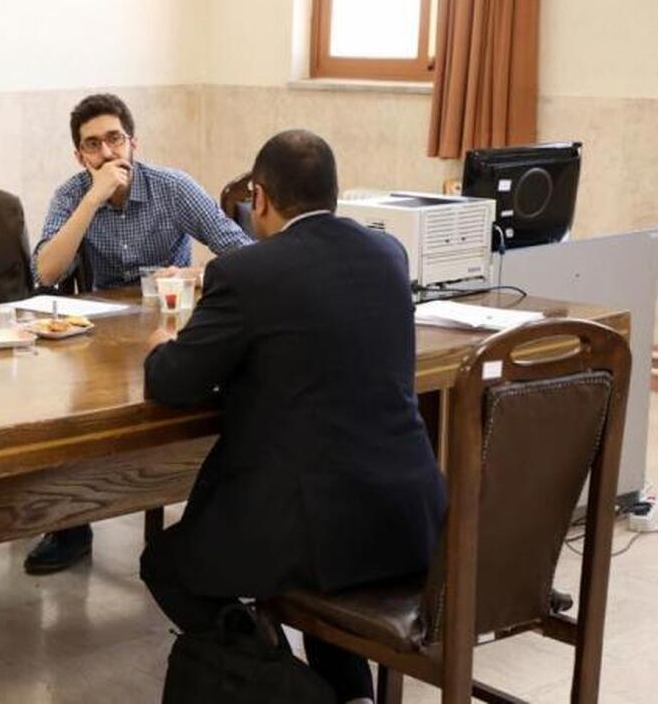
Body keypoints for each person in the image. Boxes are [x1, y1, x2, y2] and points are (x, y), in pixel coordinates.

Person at [139, 130, 447, 702]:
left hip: (309, 528)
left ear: (258, 197)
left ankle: (290, 688)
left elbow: (174, 382)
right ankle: (349, 695)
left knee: (166, 563)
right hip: (406, 520)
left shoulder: (247, 272)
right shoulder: (389, 255)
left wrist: (162, 346)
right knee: (323, 577)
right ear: (333, 193)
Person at [26, 93, 252, 575]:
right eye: (93, 145)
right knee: (71, 406)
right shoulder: (71, 194)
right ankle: (71, 524)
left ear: (134, 143)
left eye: (115, 139)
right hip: (100, 336)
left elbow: (244, 252)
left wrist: (196, 274)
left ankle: (203, 508)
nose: (107, 153)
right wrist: (92, 199)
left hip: (171, 326)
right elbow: (45, 272)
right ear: (79, 156)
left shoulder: (173, 187)